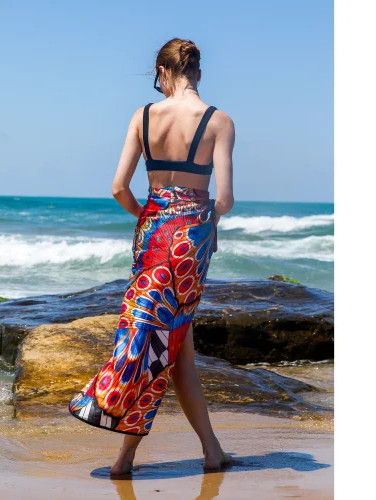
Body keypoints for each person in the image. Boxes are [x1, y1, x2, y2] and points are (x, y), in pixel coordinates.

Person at [69, 37, 235, 475]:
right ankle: (206, 452)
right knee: (173, 345)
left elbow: (118, 188)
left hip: (153, 234)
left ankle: (131, 454)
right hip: (191, 243)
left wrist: (151, 216)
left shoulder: (143, 116)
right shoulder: (219, 121)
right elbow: (225, 200)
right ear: (198, 73)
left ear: (162, 72)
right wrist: (201, 223)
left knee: (160, 340)